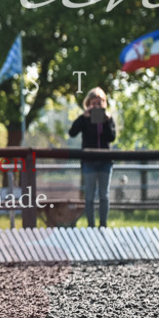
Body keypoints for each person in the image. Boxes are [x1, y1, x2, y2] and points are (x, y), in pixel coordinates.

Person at [68, 86, 117, 227]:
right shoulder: (84, 119)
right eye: (93, 103)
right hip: (89, 162)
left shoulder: (108, 119)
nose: (96, 106)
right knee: (89, 196)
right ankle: (91, 225)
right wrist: (83, 117)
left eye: (99, 103)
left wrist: (107, 121)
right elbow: (72, 132)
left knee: (104, 196)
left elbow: (111, 137)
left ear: (104, 103)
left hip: (105, 162)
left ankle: (103, 224)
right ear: (88, 104)